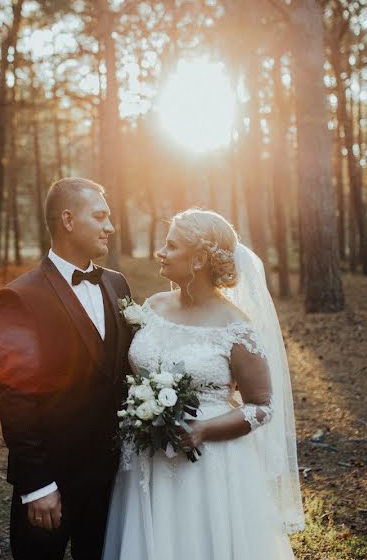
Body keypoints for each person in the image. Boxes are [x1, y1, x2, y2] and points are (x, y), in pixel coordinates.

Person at [102, 208, 304, 560]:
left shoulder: (235, 327)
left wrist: (203, 430)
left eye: (171, 246)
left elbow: (262, 405)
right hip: (145, 461)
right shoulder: (152, 306)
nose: (160, 253)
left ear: (198, 260)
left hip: (208, 465)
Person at [0, 177, 134, 560]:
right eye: (101, 216)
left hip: (112, 481)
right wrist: (37, 485)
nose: (111, 227)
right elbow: (15, 397)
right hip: (52, 483)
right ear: (69, 220)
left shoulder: (118, 286)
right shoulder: (20, 297)